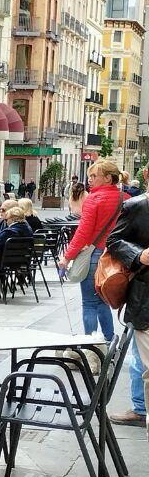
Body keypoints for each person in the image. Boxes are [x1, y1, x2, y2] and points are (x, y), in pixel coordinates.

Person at [59, 159, 124, 342]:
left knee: (89, 302)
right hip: (117, 256)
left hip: (96, 255)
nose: (90, 180)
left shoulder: (94, 199)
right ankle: (110, 342)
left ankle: (91, 346)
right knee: (103, 301)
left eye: (94, 176)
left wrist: (67, 257)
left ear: (108, 178)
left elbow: (83, 232)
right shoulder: (125, 199)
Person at [106, 193, 149, 430]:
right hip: (145, 299)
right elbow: (114, 241)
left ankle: (140, 408)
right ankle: (141, 408)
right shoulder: (137, 206)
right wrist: (138, 255)